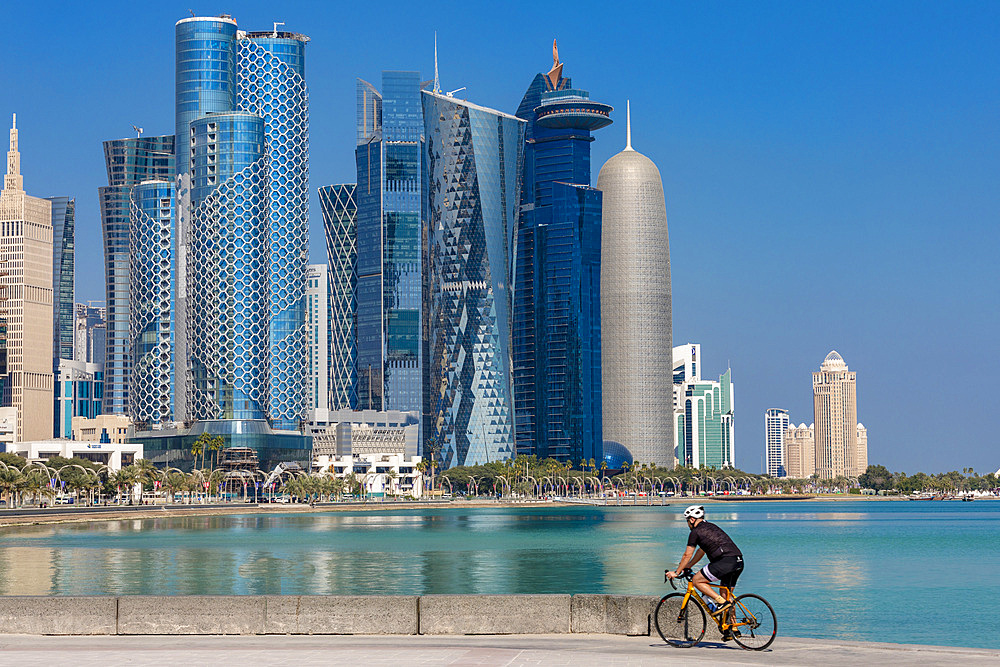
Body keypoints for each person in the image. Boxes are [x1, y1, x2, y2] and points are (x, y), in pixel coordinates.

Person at [666, 505, 744, 627]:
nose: (687, 524)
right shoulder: (711, 527)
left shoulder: (695, 532)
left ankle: (720, 603)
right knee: (726, 595)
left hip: (725, 562)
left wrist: (676, 572)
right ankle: (733, 628)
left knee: (697, 581)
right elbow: (701, 552)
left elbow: (687, 555)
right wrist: (688, 566)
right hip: (738, 561)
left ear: (692, 520)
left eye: (687, 521)